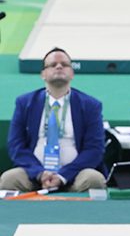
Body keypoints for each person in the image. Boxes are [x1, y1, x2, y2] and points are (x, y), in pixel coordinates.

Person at [0, 48, 106, 192]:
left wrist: (63, 175)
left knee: (94, 179)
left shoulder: (90, 106)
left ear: (72, 73)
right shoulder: (25, 103)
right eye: (53, 64)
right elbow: (16, 145)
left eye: (64, 64)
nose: (59, 66)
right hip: (34, 175)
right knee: (9, 179)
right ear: (43, 74)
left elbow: (94, 149)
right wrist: (40, 173)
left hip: (74, 175)